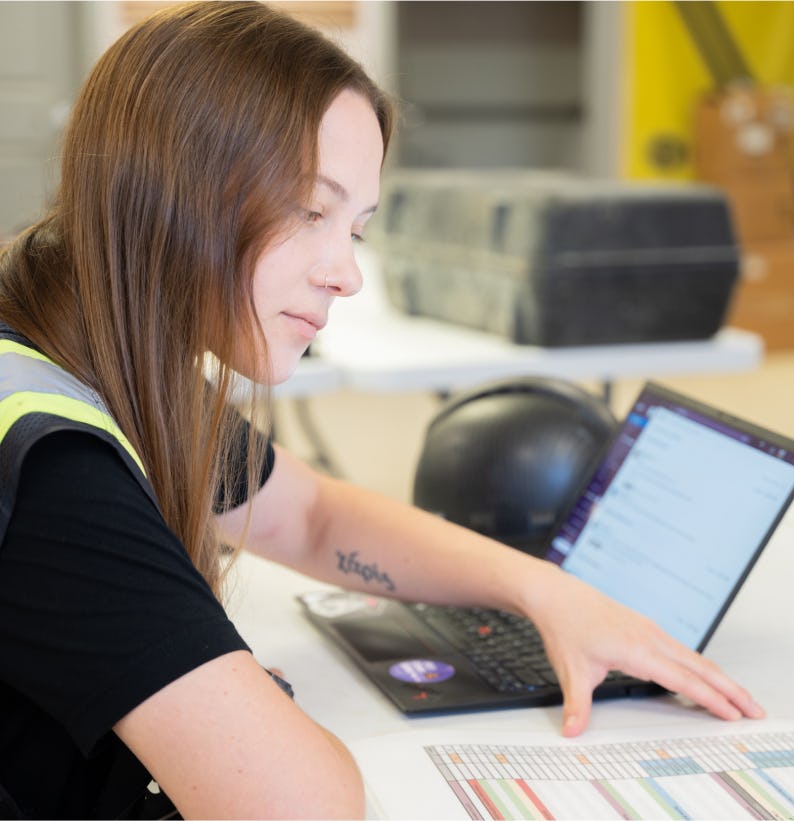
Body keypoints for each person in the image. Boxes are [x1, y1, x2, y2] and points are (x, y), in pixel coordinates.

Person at [0, 2, 764, 818]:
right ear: (173, 191)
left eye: (356, 229)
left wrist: (549, 592)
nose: (346, 273)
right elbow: (301, 807)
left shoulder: (91, 346)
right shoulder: (57, 467)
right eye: (310, 210)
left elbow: (312, 517)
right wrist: (238, 691)